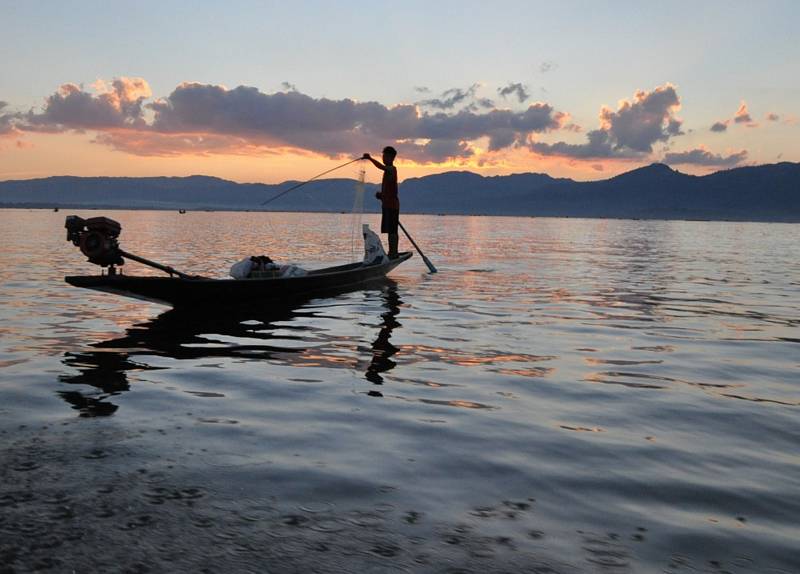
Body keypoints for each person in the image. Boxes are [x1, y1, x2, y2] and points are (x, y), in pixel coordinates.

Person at [362, 146, 400, 258]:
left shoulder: (392, 169)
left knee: (393, 231)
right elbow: (388, 191)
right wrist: (381, 196)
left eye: (385, 156)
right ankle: (392, 252)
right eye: (383, 156)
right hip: (387, 205)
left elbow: (381, 167)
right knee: (389, 231)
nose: (383, 158)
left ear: (391, 157)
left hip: (392, 206)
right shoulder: (387, 171)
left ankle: (394, 252)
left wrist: (370, 158)